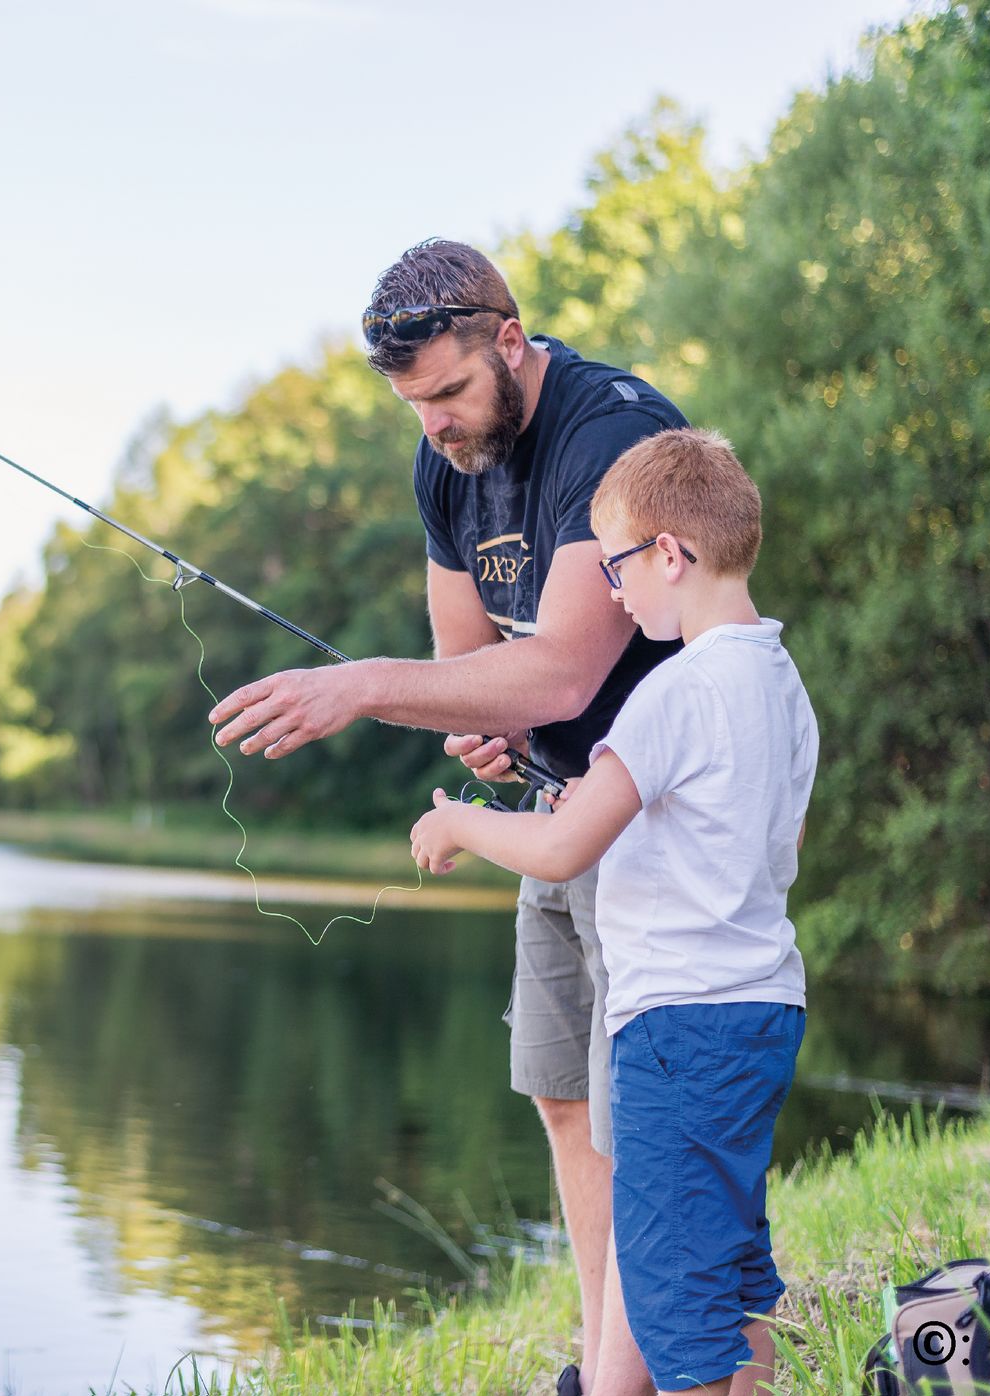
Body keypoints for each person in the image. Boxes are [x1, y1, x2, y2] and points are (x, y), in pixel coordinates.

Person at [207, 238, 686, 1391]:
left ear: (509, 342)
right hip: (557, 810)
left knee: (646, 1126)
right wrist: (481, 729)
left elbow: (563, 672)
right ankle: (595, 1359)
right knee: (563, 1096)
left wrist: (361, 687)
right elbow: (467, 663)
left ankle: (654, 1365)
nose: (432, 425)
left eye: (449, 393)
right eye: (410, 403)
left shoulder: (609, 433)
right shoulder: (445, 466)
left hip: (657, 819)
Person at [409, 427, 817, 1396]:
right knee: (725, 1271)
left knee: (672, 1304)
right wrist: (602, 813)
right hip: (762, 1011)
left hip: (674, 1027)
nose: (611, 591)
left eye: (617, 565)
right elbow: (762, 845)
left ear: (669, 553)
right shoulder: (779, 682)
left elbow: (557, 850)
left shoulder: (668, 693)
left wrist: (460, 821)